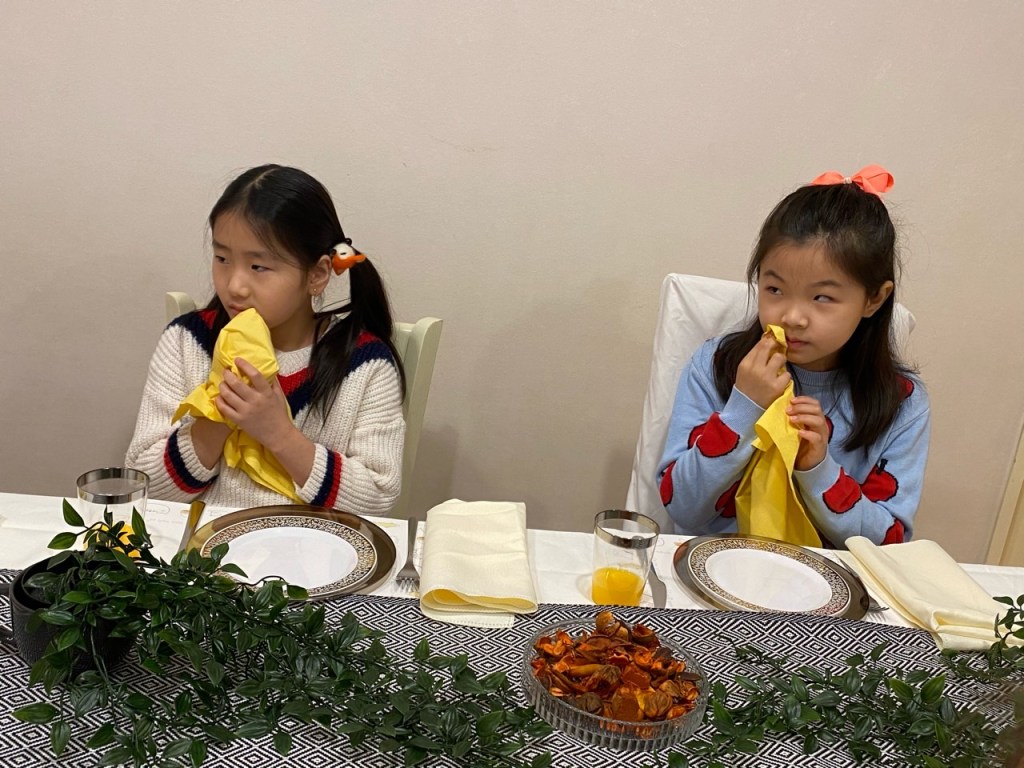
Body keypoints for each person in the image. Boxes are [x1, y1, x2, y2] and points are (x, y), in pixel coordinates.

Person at [657, 166, 930, 546]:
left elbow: (887, 543)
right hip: (715, 566)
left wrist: (818, 470)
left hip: (827, 579)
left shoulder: (901, 403)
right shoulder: (717, 365)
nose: (792, 317)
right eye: (775, 289)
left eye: (822, 297)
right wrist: (742, 411)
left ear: (874, 299)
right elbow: (682, 508)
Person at [126, 164, 406, 514]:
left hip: (315, 540)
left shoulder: (364, 362)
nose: (234, 286)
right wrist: (220, 414)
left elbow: (377, 498)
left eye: (258, 267)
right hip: (206, 540)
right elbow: (144, 485)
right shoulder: (187, 341)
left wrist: (279, 434)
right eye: (222, 258)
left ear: (317, 274)